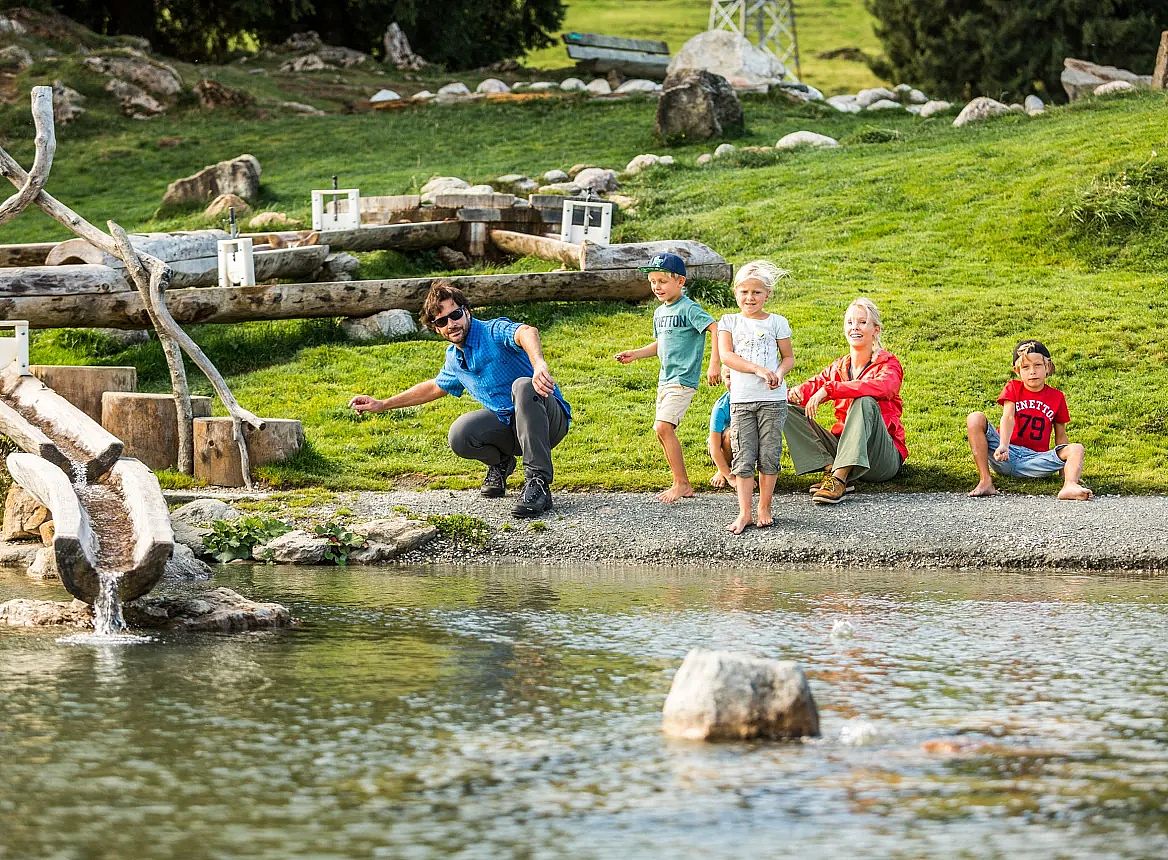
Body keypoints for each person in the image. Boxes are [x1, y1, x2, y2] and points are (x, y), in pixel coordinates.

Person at [348, 280, 570, 518]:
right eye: (442, 321)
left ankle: (537, 483)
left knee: (524, 386)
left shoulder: (492, 331)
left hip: (547, 422)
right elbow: (434, 387)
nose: (451, 324)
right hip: (513, 429)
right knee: (461, 433)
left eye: (455, 315)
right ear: (436, 328)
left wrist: (538, 365)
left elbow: (526, 332)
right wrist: (382, 404)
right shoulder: (454, 358)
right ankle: (502, 463)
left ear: (467, 311)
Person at [614, 252, 721, 503]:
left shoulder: (689, 308)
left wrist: (714, 363)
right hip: (665, 379)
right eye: (652, 281)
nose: (656, 287)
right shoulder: (660, 312)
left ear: (680, 282)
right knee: (660, 431)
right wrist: (637, 354)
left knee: (664, 426)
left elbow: (715, 328)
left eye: (662, 281)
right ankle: (680, 481)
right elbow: (661, 344)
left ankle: (682, 483)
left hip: (683, 379)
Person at [785, 297, 907, 505]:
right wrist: (793, 393)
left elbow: (884, 387)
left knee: (865, 400)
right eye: (850, 323)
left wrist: (831, 389)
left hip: (880, 459)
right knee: (785, 409)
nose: (854, 328)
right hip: (843, 448)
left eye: (862, 322)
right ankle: (830, 468)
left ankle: (838, 478)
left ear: (875, 330)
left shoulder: (889, 364)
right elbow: (813, 386)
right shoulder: (840, 366)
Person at [717, 261, 794, 533]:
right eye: (744, 292)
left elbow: (788, 358)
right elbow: (727, 356)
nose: (750, 298)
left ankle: (765, 508)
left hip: (773, 400)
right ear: (736, 293)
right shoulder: (729, 322)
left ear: (767, 295)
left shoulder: (777, 322)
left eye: (756, 293)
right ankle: (744, 512)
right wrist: (758, 369)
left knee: (770, 454)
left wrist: (779, 374)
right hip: (742, 400)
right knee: (744, 455)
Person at [966, 339, 1092, 501]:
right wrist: (1004, 444)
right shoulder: (1013, 387)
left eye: (1038, 365)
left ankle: (1069, 486)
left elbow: (1061, 435)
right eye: (1026, 367)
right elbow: (1008, 417)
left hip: (1035, 460)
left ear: (1048, 367)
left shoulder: (1057, 397)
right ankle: (985, 481)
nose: (1032, 371)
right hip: (1006, 453)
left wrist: (1064, 473)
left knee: (1076, 448)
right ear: (1017, 371)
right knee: (975, 417)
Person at [707, 368, 734, 489]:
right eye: (729, 377)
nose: (734, 381)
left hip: (747, 446)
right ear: (723, 379)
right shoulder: (721, 407)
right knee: (731, 433)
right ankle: (723, 469)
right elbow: (714, 446)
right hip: (722, 447)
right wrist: (730, 478)